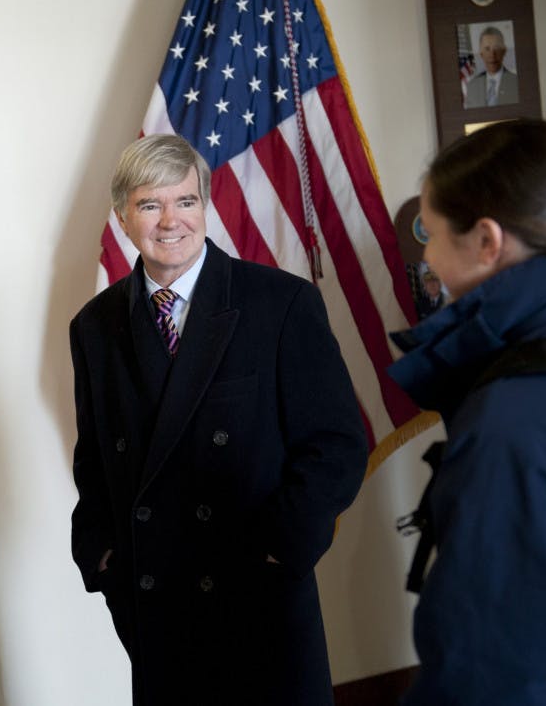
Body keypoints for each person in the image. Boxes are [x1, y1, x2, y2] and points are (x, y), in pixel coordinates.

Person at [69, 134, 368, 705]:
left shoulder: (281, 304)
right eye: (150, 205)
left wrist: (283, 545)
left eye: (184, 201)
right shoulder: (94, 325)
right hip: (155, 603)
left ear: (205, 205)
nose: (170, 221)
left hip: (259, 593)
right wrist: (101, 549)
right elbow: (96, 455)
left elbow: (336, 444)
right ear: (123, 218)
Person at [388, 119, 546, 704]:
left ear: (486, 241)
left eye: (429, 228)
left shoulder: (515, 424)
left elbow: (494, 673)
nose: (423, 251)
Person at [464, 26, 519, 108]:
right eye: (487, 49)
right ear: (481, 54)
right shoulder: (472, 86)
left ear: (504, 51)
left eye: (496, 48)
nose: (492, 55)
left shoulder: (516, 83)